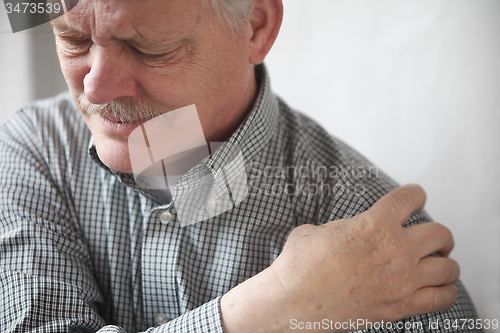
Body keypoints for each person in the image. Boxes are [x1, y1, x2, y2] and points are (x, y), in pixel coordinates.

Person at [0, 0, 480, 332]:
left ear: (256, 26)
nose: (98, 88)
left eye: (151, 50)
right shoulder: (35, 149)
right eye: (73, 39)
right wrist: (272, 311)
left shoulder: (384, 252)